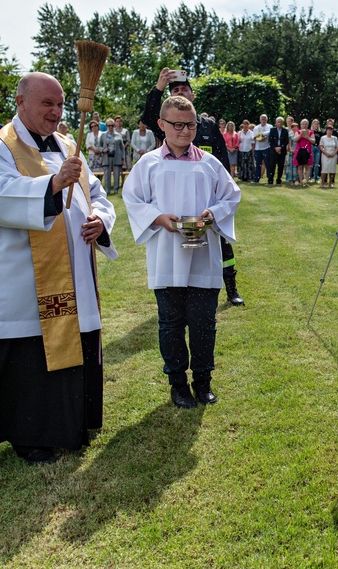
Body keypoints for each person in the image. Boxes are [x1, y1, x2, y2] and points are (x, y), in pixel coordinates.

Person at [0, 71, 118, 466]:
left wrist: (100, 220)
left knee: (70, 342)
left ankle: (71, 424)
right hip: (19, 278)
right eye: (48, 103)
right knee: (28, 358)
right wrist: (52, 185)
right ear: (21, 101)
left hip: (72, 271)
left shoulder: (66, 143)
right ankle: (29, 435)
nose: (56, 111)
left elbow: (96, 192)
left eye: (60, 104)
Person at [123, 95, 241, 409]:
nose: (185, 131)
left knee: (204, 323)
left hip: (203, 255)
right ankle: (177, 384)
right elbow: (133, 200)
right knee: (171, 323)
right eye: (177, 125)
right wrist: (159, 218)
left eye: (190, 125)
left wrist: (212, 214)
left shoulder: (209, 163)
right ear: (161, 125)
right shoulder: (148, 164)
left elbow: (231, 196)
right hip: (166, 255)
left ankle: (203, 382)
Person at [141, 67, 245, 306]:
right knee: (180, 248)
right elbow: (148, 116)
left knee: (222, 247)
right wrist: (158, 87)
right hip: (179, 205)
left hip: (209, 201)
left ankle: (231, 287)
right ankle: (178, 290)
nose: (180, 93)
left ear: (192, 95)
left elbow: (220, 158)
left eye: (184, 89)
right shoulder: (166, 124)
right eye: (175, 90)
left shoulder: (207, 125)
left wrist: (223, 195)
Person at [100, 118, 126, 195]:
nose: (110, 127)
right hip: (106, 157)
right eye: (109, 125)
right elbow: (99, 146)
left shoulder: (118, 135)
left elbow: (122, 148)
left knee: (116, 174)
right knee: (107, 175)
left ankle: (116, 190)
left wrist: (123, 158)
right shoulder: (103, 135)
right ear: (106, 126)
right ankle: (107, 190)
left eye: (112, 125)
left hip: (116, 157)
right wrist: (103, 150)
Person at [267, 116, 289, 185]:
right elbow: (270, 140)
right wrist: (275, 148)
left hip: (282, 151)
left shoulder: (285, 131)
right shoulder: (272, 130)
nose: (279, 123)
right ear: (276, 123)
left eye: (281, 122)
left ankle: (279, 179)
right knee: (272, 166)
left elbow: (286, 141)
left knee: (281, 166)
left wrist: (280, 148)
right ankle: (270, 179)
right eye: (278, 122)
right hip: (273, 151)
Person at [293, 119, 314, 187]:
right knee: (300, 166)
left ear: (308, 125)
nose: (304, 125)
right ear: (301, 125)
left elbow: (313, 141)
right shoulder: (298, 131)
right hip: (299, 151)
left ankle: (307, 182)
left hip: (307, 150)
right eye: (303, 124)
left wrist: (307, 137)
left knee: (307, 166)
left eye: (305, 124)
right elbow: (295, 139)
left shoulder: (311, 132)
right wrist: (300, 135)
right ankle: (301, 181)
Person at [253, 114, 272, 183]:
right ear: (260, 120)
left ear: (267, 120)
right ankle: (256, 178)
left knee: (268, 164)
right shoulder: (256, 127)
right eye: (262, 119)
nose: (263, 120)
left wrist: (261, 135)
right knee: (258, 164)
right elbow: (254, 137)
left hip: (266, 148)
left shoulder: (270, 126)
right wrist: (258, 137)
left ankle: (269, 179)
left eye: (264, 119)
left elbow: (269, 133)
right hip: (258, 148)